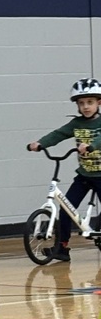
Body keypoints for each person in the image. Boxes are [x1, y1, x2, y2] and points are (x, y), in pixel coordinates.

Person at [27, 78, 101, 263]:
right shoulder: (76, 124)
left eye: (90, 102)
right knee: (66, 208)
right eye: (81, 103)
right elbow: (58, 134)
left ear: (99, 103)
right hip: (84, 174)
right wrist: (40, 143)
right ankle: (62, 247)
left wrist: (91, 145)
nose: (86, 107)